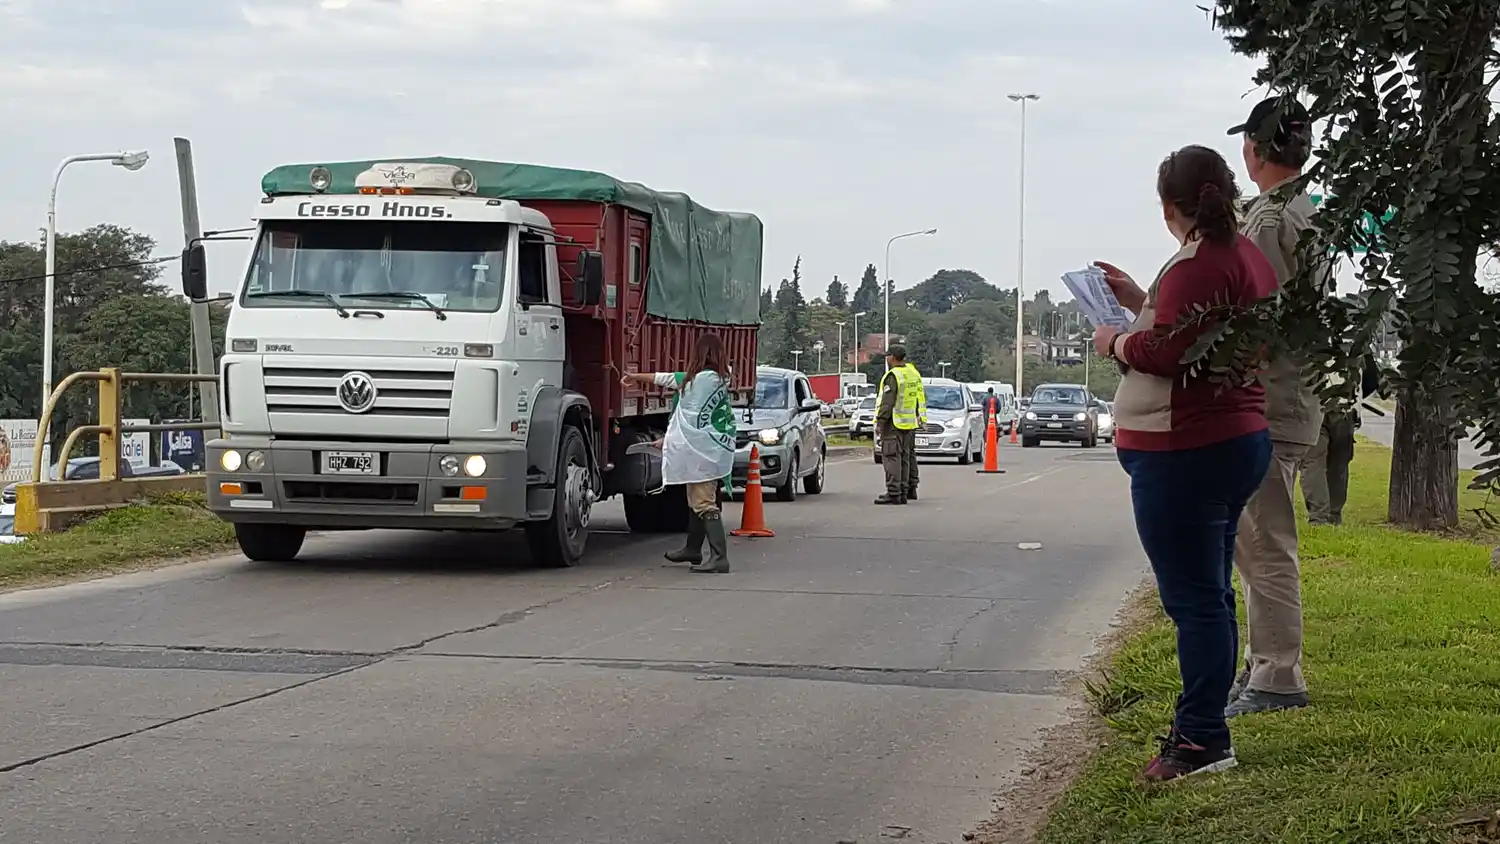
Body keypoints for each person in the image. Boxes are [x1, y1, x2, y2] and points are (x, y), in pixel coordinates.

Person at [1092, 144, 1277, 781]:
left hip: (1187, 451)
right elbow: (1195, 332)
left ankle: (1201, 740)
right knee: (1211, 595)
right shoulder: (1242, 254)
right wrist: (1140, 298)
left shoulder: (1198, 262)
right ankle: (1204, 728)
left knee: (1196, 603)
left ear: (1169, 205)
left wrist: (1114, 339)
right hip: (1231, 441)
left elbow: (1169, 351)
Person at [1220, 95, 1327, 718]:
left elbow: (1255, 318)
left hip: (1268, 400)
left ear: (1256, 150)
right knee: (1258, 543)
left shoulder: (1268, 222)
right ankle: (1263, 661)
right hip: (1293, 397)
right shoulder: (1306, 210)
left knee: (1264, 546)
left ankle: (1277, 677)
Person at [619, 334, 736, 573]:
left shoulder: (700, 381)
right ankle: (693, 549)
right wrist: (667, 440)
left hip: (702, 454)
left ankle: (719, 558)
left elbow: (670, 384)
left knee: (703, 502)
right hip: (711, 449)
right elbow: (698, 420)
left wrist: (634, 376)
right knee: (695, 500)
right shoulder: (719, 379)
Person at [874, 345, 925, 505]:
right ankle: (904, 490)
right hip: (909, 423)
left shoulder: (893, 376)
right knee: (905, 457)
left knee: (891, 457)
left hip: (894, 423)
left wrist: (880, 422)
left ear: (893, 357)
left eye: (888, 355)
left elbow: (887, 402)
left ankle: (894, 492)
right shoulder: (911, 372)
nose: (886, 359)